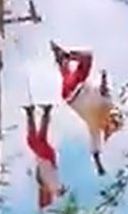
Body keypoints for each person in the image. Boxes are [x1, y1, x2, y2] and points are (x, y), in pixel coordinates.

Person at [49, 41, 122, 176]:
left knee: (86, 58)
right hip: (72, 91)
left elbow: (95, 149)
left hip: (74, 90)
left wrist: (99, 166)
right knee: (69, 73)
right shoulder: (104, 110)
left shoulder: (95, 124)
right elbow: (104, 90)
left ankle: (64, 56)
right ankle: (61, 57)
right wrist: (104, 78)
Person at [23, 104, 66, 210]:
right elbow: (57, 189)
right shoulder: (50, 185)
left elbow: (39, 172)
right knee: (33, 141)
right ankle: (32, 113)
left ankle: (43, 112)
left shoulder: (43, 182)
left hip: (46, 157)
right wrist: (59, 192)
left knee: (39, 138)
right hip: (46, 157)